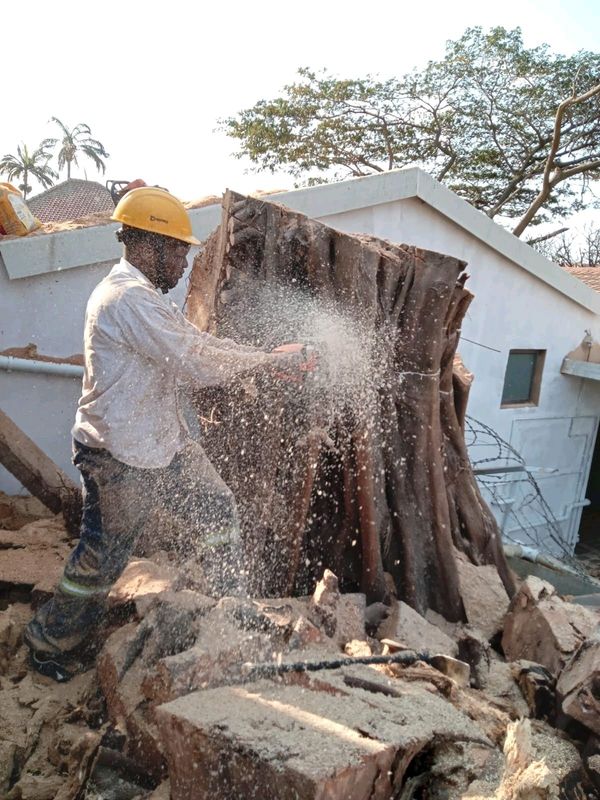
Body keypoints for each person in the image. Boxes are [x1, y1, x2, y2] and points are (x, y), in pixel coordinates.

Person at [24, 187, 311, 682]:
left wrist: (264, 356)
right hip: (118, 453)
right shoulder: (126, 298)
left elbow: (194, 343)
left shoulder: (148, 300)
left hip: (163, 444)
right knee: (102, 556)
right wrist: (268, 362)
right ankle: (47, 641)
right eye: (178, 249)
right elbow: (195, 361)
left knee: (217, 509)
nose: (183, 261)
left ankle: (231, 606)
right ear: (146, 245)